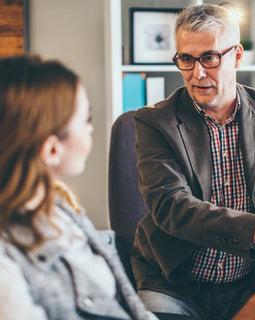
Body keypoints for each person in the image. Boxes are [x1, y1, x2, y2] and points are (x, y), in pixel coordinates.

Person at [130, 4, 255, 320]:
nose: (197, 73)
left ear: (237, 56)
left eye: (210, 57)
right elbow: (170, 206)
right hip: (173, 284)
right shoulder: (154, 122)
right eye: (186, 59)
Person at [0, 54, 159, 320]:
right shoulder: (6, 263)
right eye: (86, 119)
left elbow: (129, 304)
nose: (91, 130)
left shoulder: (60, 208)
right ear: (51, 149)